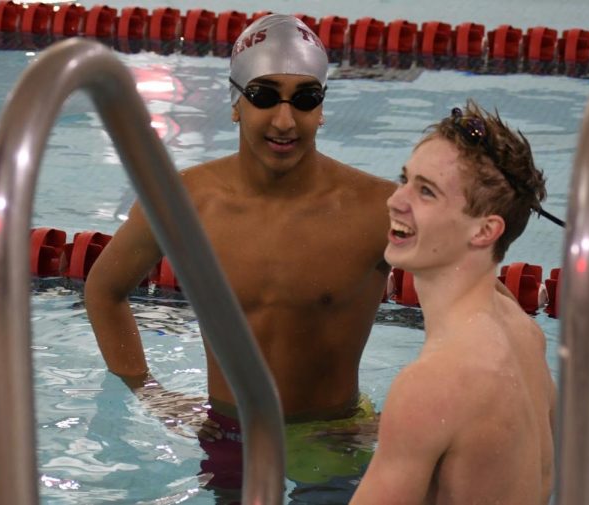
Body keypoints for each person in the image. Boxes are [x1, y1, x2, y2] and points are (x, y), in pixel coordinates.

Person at [84, 13, 395, 498]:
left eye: (306, 98)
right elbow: (104, 291)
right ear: (235, 103)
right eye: (264, 96)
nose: (285, 120)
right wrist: (148, 392)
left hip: (333, 436)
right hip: (227, 434)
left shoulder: (378, 209)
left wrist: (400, 421)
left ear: (323, 108)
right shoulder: (184, 201)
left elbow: (475, 308)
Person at [350, 101, 557, 504]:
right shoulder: (520, 329)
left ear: (484, 230)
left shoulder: (432, 384)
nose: (395, 200)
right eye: (404, 179)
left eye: (426, 191)